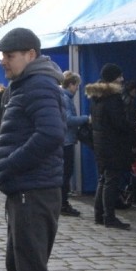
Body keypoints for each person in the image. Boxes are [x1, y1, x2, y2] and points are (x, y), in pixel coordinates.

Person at [0, 27, 70, 271]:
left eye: (9, 55)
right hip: (25, 189)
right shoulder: (26, 85)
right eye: (3, 56)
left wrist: (10, 164)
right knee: (18, 265)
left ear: (31, 55)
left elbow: (52, 134)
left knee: (33, 270)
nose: (3, 62)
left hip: (34, 190)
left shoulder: (37, 85)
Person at [86, 63, 136, 230]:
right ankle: (109, 217)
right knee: (111, 180)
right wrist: (132, 125)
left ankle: (99, 214)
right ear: (113, 78)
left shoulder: (96, 97)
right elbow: (119, 123)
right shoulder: (113, 98)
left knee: (103, 178)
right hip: (112, 144)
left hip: (100, 142)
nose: (122, 79)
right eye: (119, 76)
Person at [59, 71, 88, 217]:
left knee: (65, 173)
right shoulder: (65, 98)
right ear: (71, 85)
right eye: (76, 85)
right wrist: (86, 118)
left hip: (65, 140)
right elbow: (68, 120)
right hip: (66, 141)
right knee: (66, 173)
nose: (77, 89)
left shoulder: (63, 97)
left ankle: (62, 202)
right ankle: (63, 203)